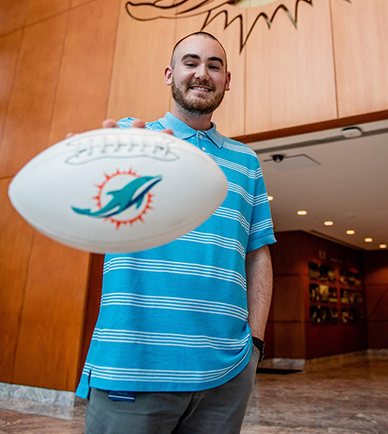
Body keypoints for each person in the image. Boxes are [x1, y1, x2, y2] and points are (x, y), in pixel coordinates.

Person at [76, 31, 275, 434]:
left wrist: (254, 346)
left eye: (214, 65)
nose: (202, 73)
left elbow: (257, 255)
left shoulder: (246, 161)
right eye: (190, 62)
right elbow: (90, 212)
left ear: (227, 80)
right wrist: (98, 166)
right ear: (169, 74)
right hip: (132, 365)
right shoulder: (134, 142)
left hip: (227, 373)